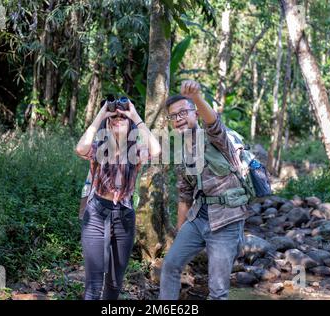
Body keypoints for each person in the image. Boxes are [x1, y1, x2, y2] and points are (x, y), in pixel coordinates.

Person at [159, 80, 249, 300]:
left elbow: (214, 123)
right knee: (170, 266)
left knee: (217, 291)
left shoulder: (216, 139)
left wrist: (196, 96)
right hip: (198, 218)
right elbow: (184, 197)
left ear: (195, 114)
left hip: (226, 221)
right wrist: (180, 234)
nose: (179, 119)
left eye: (183, 112)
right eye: (173, 116)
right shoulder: (181, 154)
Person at [75, 98, 161, 300]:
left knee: (114, 282)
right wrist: (102, 114)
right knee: (93, 284)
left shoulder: (136, 150)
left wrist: (134, 115)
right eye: (113, 117)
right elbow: (80, 149)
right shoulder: (99, 147)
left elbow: (156, 150)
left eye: (122, 117)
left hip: (124, 214)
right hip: (96, 212)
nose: (117, 119)